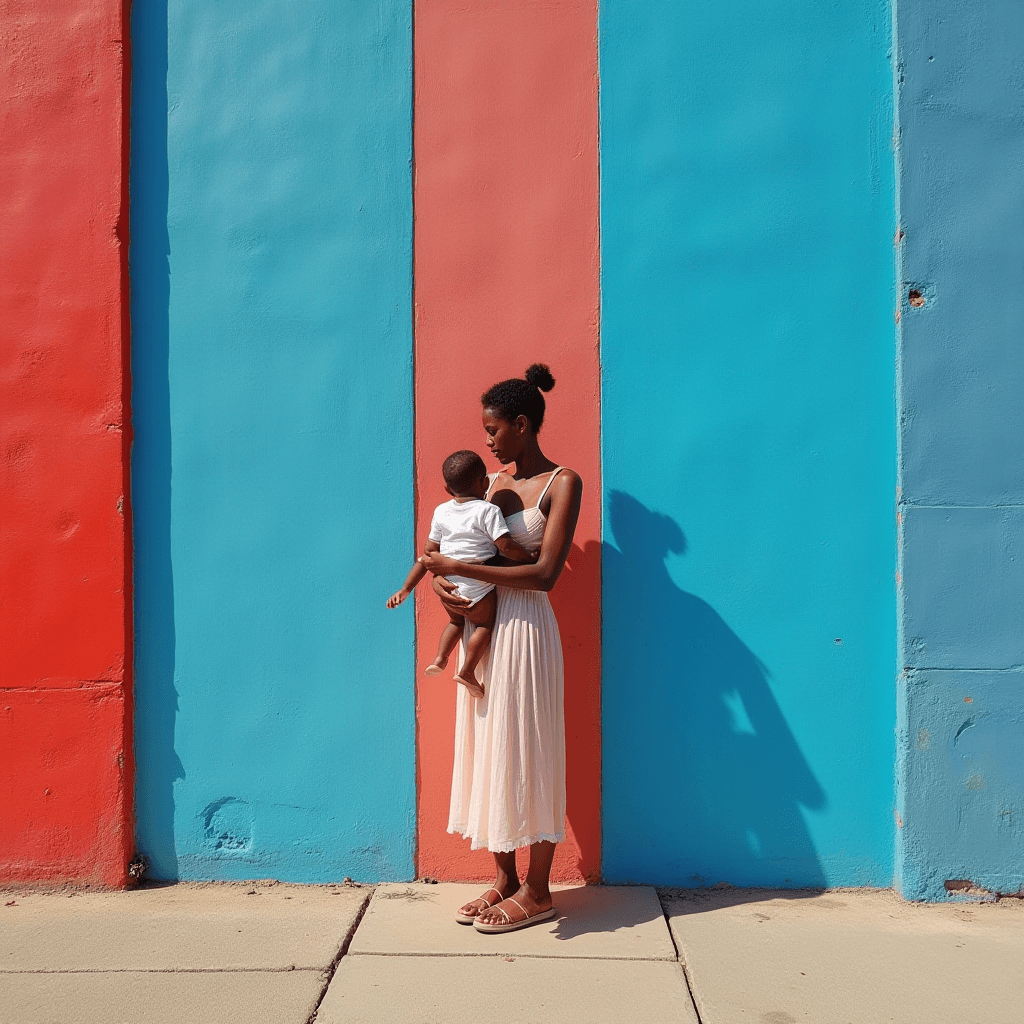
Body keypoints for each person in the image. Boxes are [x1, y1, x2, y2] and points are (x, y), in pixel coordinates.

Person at [419, 363, 583, 934]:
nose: (486, 440)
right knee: (491, 747)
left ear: (521, 423)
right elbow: (465, 549)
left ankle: (539, 892)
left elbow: (543, 575)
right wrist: (444, 584)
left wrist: (456, 567)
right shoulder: (487, 485)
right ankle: (507, 880)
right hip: (482, 629)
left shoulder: (564, 482)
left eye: (493, 429)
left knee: (530, 749)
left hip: (528, 632)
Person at [387, 450, 536, 698]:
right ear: (484, 482)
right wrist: (531, 558)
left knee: (456, 622)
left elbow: (428, 555)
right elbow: (506, 546)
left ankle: (440, 658)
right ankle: (467, 671)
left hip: (450, 586)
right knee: (484, 626)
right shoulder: (487, 510)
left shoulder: (441, 511)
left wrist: (406, 588)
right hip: (478, 585)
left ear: (447, 489)